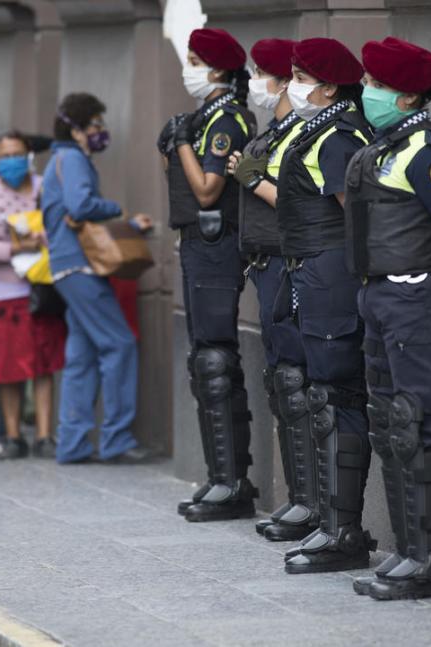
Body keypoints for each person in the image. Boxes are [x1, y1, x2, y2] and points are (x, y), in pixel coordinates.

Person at [344, 38, 431, 601]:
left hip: (416, 298)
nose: (369, 94)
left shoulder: (427, 150)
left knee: (420, 423)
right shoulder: (386, 147)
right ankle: (406, 550)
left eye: (378, 86)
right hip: (381, 296)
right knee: (391, 425)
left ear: (408, 97)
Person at [274, 38, 375, 574]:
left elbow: (355, 217)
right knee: (322, 396)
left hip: (332, 276)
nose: (292, 83)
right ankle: (331, 521)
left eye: (299, 74)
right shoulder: (318, 126)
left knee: (337, 397)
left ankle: (344, 531)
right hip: (314, 273)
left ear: (329, 86)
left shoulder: (337, 134)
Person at [159, 28, 257, 522]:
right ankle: (220, 476)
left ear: (218, 70)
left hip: (217, 247)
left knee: (216, 359)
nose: (189, 68)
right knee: (205, 361)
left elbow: (206, 190)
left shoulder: (227, 120)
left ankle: (232, 482)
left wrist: (180, 145)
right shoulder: (206, 116)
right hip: (199, 246)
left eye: (196, 60)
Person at [226, 39, 312, 541]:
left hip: (288, 264)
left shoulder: (302, 133)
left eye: (263, 73)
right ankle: (298, 498)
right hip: (265, 264)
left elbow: (292, 201)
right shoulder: (280, 130)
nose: (256, 81)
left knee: (300, 385)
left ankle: (312, 505)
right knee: (283, 383)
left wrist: (248, 175)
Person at [42, 93, 150, 464]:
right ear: (75, 130)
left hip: (66, 266)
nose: (101, 132)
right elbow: (80, 206)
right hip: (81, 266)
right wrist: (116, 208)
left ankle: (71, 445)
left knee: (82, 355)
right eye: (95, 126)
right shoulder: (72, 159)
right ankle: (117, 439)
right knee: (119, 344)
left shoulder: (60, 158)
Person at [0, 132, 67, 458]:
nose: (12, 161)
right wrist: (15, 247)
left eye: (17, 154)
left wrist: (43, 239)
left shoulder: (45, 187)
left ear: (28, 156)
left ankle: (44, 435)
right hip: (3, 293)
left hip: (43, 288)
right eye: (5, 155)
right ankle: (13, 435)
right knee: (9, 366)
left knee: (43, 363)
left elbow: (64, 228)